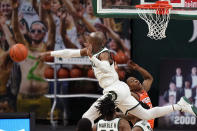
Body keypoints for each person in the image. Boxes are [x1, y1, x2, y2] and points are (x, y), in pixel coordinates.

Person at [40, 31, 197, 126]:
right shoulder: (92, 51)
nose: (85, 42)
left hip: (115, 90)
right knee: (147, 115)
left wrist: (92, 59)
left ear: (96, 43)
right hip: (119, 90)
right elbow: (70, 53)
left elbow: (105, 67)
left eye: (89, 40)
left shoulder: (104, 54)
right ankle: (180, 105)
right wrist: (51, 54)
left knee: (86, 118)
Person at [121, 60, 154, 131]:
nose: (136, 80)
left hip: (148, 127)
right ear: (129, 88)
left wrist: (138, 68)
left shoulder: (143, 90)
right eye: (132, 81)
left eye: (135, 79)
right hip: (141, 126)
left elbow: (149, 78)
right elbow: (131, 116)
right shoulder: (132, 95)